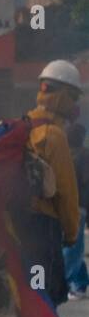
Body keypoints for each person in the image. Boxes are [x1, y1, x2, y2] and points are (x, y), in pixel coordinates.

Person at [13, 60, 81, 317]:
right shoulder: (54, 136)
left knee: (27, 290)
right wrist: (70, 232)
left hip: (19, 224)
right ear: (63, 96)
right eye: (75, 96)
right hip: (44, 227)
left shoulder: (25, 125)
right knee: (47, 289)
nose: (77, 104)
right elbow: (66, 193)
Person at [64, 122, 89, 299]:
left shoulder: (79, 156)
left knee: (71, 247)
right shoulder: (80, 155)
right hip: (75, 206)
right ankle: (79, 284)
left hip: (75, 206)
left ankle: (68, 282)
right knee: (72, 246)